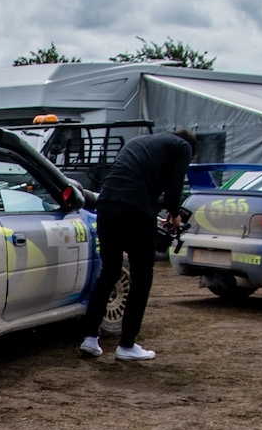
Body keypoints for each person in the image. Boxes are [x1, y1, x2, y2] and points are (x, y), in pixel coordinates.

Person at [80, 128, 198, 361]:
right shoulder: (183, 147)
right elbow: (174, 190)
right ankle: (127, 345)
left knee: (109, 270)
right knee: (142, 276)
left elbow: (136, 181)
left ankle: (90, 339)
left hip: (108, 204)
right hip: (135, 209)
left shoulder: (141, 141)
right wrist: (175, 215)